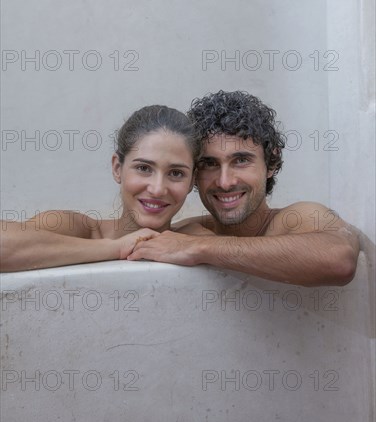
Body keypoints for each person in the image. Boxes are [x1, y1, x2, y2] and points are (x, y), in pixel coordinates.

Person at [127, 91, 360, 287]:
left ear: (271, 163)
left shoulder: (294, 218)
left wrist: (202, 247)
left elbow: (340, 259)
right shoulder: (186, 233)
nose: (225, 182)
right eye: (209, 164)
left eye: (240, 160)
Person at [1, 105, 201, 272]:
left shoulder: (192, 238)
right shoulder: (77, 229)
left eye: (176, 173)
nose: (157, 189)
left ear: (192, 180)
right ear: (117, 168)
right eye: (143, 168)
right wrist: (115, 248)